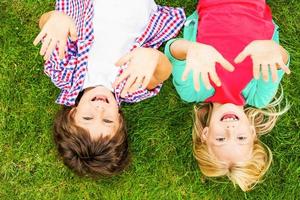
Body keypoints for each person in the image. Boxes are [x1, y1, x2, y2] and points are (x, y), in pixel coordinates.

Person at [33, 0, 185, 177]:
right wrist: (153, 57)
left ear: (72, 114)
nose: (99, 110)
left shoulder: (64, 75)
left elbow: (47, 26)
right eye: (107, 120)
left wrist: (55, 18)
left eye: (88, 117)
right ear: (119, 121)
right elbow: (162, 74)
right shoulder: (130, 88)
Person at [165, 0, 290, 191]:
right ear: (252, 132)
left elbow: (173, 50)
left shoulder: (193, 91)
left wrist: (190, 49)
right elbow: (280, 61)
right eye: (241, 138)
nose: (231, 129)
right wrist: (274, 50)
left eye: (221, 139)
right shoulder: (259, 96)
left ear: (206, 134)